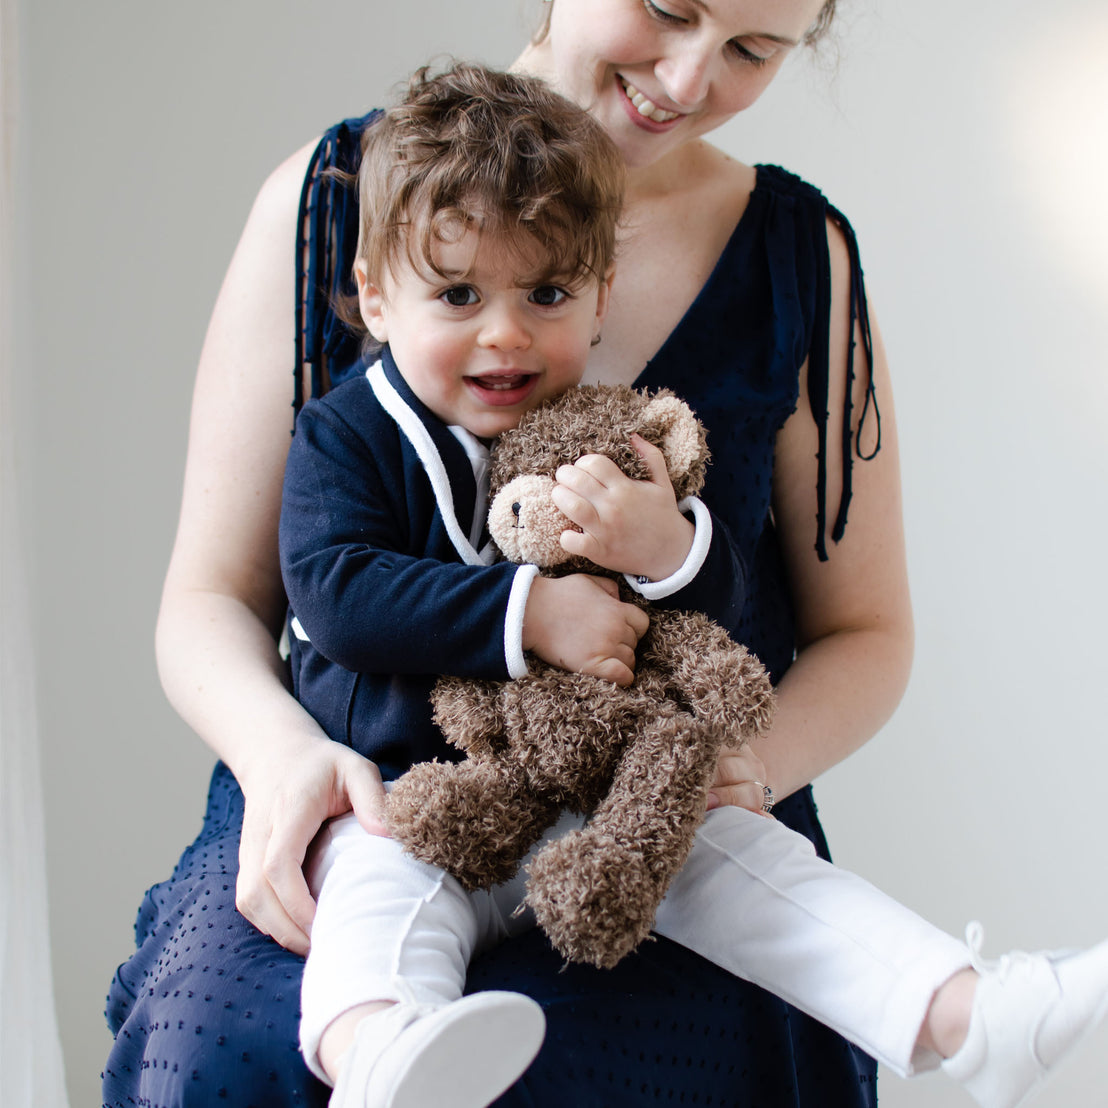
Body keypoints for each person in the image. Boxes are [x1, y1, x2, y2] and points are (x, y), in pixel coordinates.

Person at [98, 3, 1102, 1106]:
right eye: (670, 7)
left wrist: (736, 760)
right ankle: (383, 1045)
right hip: (366, 776)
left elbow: (865, 631)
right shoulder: (344, 197)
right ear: (380, 292)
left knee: (666, 998)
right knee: (242, 1044)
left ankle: (970, 1014)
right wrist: (282, 754)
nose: (684, 76)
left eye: (752, 50)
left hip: (655, 780)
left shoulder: (792, 256)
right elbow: (216, 596)